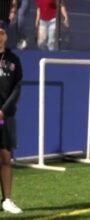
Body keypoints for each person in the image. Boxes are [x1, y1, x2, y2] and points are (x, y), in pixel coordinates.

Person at [0, 20, 23, 214]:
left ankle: (7, 200)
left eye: (1, 32)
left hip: (6, 116)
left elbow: (17, 88)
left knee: (6, 157)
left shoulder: (14, 60)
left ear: (6, 36)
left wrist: (3, 110)